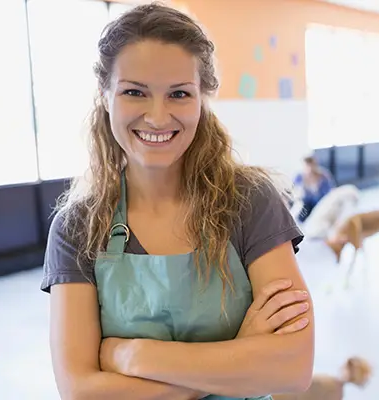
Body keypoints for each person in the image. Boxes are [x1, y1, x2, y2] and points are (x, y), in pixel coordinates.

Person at [40, 3, 314, 400]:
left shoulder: (249, 202)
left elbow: (292, 369)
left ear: (203, 98)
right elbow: (82, 392)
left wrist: (134, 356)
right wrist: (237, 358)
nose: (157, 116)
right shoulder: (78, 228)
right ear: (105, 95)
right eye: (134, 92)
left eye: (179, 94)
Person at [293, 156, 335, 222]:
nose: (310, 169)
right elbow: (294, 190)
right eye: (307, 166)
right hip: (305, 204)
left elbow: (330, 192)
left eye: (311, 166)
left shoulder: (324, 176)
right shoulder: (299, 177)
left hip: (320, 203)